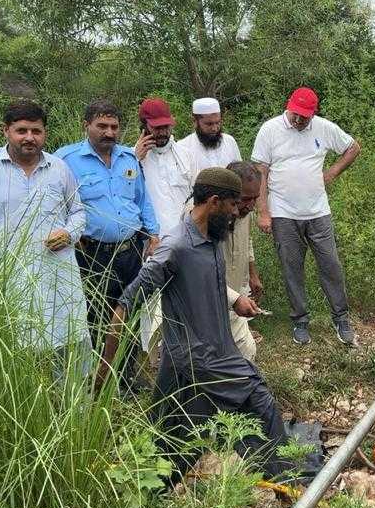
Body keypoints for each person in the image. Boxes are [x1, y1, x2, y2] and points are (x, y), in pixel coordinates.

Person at [103, 167, 290, 480]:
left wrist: (234, 303)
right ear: (215, 202)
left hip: (212, 354)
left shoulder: (212, 239)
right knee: (260, 404)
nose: (236, 213)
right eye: (233, 205)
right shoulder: (175, 248)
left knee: (180, 440)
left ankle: (154, 492)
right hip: (199, 359)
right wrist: (105, 367)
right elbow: (126, 302)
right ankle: (291, 488)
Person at [0, 100, 90, 376]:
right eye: (22, 130)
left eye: (36, 131)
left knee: (66, 343)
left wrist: (68, 232)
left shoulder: (59, 168)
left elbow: (78, 213)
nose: (30, 138)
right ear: (5, 130)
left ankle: (69, 410)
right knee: (6, 349)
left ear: (45, 133)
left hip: (55, 274)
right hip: (1, 275)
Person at [56, 99, 160, 392]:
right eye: (102, 126)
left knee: (130, 312)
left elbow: (142, 199)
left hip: (130, 252)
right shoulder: (65, 160)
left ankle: (125, 376)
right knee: (94, 317)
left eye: (114, 127)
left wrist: (153, 234)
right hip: (91, 255)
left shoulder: (129, 158)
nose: (109, 132)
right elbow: (54, 202)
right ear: (86, 125)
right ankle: (94, 380)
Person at [251, 87, 361, 346]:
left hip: (318, 211)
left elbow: (353, 148)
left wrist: (332, 173)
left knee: (331, 265)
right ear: (288, 106)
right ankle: (300, 320)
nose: (300, 120)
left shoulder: (323, 127)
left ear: (314, 113)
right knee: (292, 268)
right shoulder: (270, 130)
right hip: (283, 213)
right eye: (297, 115)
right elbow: (260, 172)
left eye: (306, 116)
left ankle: (341, 318)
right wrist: (263, 211)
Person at [132, 98, 191, 355]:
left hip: (184, 238)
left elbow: (193, 196)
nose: (162, 132)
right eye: (156, 127)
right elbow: (128, 195)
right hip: (150, 242)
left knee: (186, 295)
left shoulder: (184, 154)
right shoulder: (130, 157)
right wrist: (136, 159)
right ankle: (153, 356)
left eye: (165, 126)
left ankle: (186, 349)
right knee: (152, 302)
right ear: (143, 126)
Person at [223, 161, 265, 360]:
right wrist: (234, 298)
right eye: (246, 199)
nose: (251, 205)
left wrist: (253, 275)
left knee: (246, 353)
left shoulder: (245, 211)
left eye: (255, 198)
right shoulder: (208, 217)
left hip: (235, 294)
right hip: (209, 300)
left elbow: (246, 241)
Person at [176, 97, 242, 174]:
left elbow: (240, 174)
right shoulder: (183, 147)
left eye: (217, 123)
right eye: (209, 124)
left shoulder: (229, 141)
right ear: (194, 122)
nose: (214, 128)